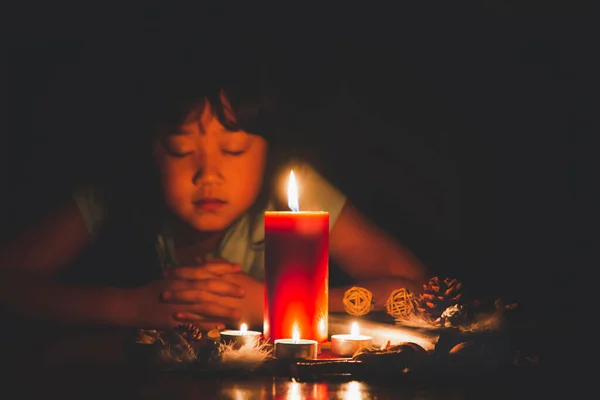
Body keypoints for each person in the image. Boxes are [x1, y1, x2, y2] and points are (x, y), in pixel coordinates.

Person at [0, 44, 428, 339]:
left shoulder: (296, 195)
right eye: (181, 149)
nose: (208, 174)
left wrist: (274, 303)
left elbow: (415, 287)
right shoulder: (116, 190)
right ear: (150, 153)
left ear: (267, 152)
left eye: (234, 149)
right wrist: (128, 307)